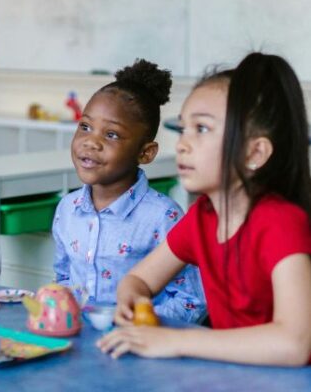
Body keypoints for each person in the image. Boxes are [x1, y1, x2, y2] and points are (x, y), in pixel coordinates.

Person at [98, 53, 311, 366]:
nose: (182, 144)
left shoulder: (281, 223)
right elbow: (139, 280)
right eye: (183, 129)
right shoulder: (202, 218)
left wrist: (177, 341)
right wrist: (131, 298)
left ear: (255, 152)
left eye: (202, 129)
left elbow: (294, 344)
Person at [53, 59, 205, 323]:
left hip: (138, 348)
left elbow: (192, 302)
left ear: (145, 153)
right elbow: (64, 278)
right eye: (85, 127)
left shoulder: (163, 217)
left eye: (111, 135)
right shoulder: (67, 208)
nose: (91, 142)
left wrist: (133, 324)